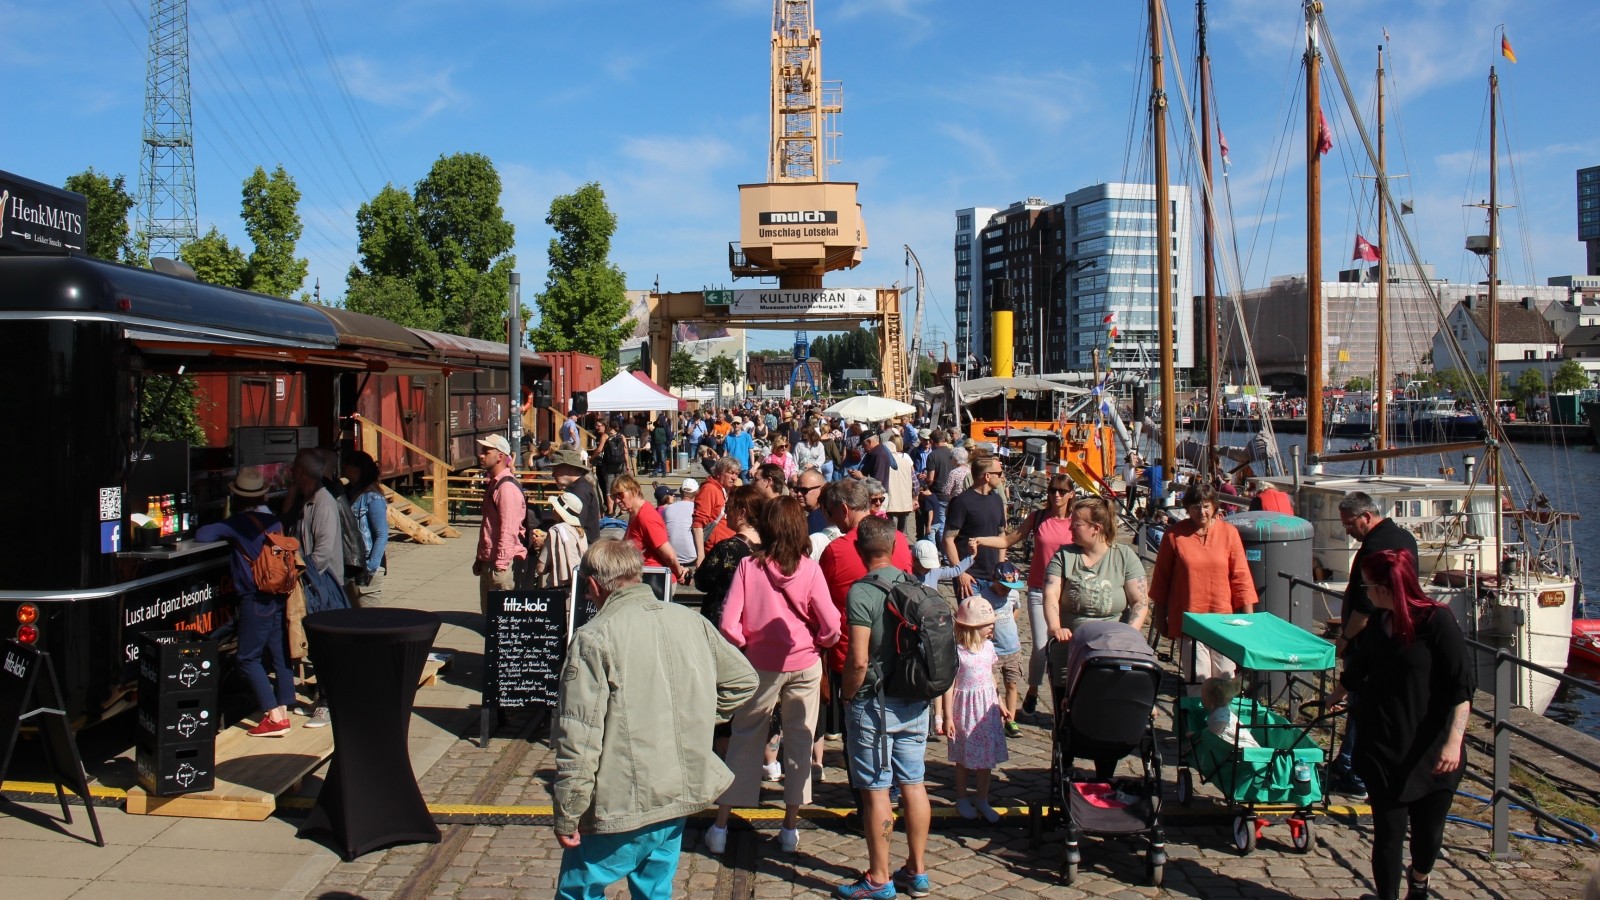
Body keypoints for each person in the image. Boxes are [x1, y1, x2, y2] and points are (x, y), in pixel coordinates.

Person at [551, 541, 758, 900]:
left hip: (626, 796)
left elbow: (579, 736)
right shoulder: (689, 620)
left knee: (579, 890)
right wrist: (697, 714)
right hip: (676, 788)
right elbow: (743, 680)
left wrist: (568, 810)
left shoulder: (594, 637)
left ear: (596, 586)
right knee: (654, 890)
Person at [1325, 549, 1472, 900]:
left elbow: (1461, 687)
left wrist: (1454, 742)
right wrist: (1337, 693)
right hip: (1383, 746)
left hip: (1430, 749)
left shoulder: (1437, 622)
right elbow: (1360, 668)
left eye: (1370, 585)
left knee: (1427, 836)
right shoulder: (1379, 622)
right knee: (1388, 835)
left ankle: (1419, 878)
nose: (1366, 592)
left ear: (1390, 586)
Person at [705, 497, 842, 855]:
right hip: (804, 662)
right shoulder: (810, 569)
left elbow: (727, 623)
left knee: (744, 737)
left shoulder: (750, 567)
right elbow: (831, 625)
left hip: (760, 663)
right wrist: (819, 642)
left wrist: (748, 642)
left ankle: (721, 824)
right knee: (800, 739)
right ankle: (789, 826)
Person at [839, 515, 933, 900]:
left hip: (874, 701)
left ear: (861, 550)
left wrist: (847, 695)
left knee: (876, 789)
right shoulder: (913, 584)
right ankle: (917, 870)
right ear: (895, 549)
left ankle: (879, 877)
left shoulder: (862, 592)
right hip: (914, 698)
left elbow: (858, 659)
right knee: (913, 782)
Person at [1331, 491, 1420, 801]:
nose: (1347, 530)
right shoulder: (1400, 536)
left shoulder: (1378, 545)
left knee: (1363, 706)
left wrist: (1345, 638)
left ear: (1365, 517)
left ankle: (1356, 774)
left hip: (1373, 641)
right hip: (1385, 637)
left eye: (1349, 523)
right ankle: (1347, 765)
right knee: (1361, 706)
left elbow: (1367, 605)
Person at [197, 468, 297, 737]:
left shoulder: (236, 524)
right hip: (277, 594)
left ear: (235, 496)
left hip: (254, 597)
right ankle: (285, 704)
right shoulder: (274, 522)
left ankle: (274, 717)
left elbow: (203, 534)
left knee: (247, 658)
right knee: (278, 652)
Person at [969, 472, 1077, 718]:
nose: (1056, 495)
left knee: (1070, 648)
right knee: (1041, 647)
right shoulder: (1038, 517)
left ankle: (1069, 695)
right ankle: (1034, 689)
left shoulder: (1076, 521)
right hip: (1039, 589)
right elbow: (1009, 539)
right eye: (1052, 491)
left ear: (1071, 494)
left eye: (1061, 491)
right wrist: (980, 541)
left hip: (1069, 591)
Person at [1150, 482, 1256, 688]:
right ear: (1188, 508)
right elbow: (1161, 579)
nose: (1202, 511)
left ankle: (1224, 720)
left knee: (1225, 679)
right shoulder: (1174, 535)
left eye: (1206, 506)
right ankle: (1200, 719)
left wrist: (1248, 618)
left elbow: (1241, 577)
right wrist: (1160, 618)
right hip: (1190, 620)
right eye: (1196, 506)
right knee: (1198, 680)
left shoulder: (1229, 533)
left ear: (1214, 506)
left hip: (1223, 621)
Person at [287, 448, 347, 728]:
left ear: (302, 473)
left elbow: (322, 554)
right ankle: (324, 697)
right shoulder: (306, 499)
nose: (290, 473)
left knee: (324, 646)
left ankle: (327, 703)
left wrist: (298, 571)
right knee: (315, 645)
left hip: (321, 585)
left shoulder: (323, 504)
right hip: (311, 583)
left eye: (294, 469)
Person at [1040, 496, 1151, 642]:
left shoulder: (1124, 556)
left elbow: (1140, 601)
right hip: (1071, 642)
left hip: (1113, 644)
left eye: (1076, 524)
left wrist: (1130, 633)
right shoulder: (1064, 555)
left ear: (1096, 528)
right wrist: (1055, 627)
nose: (1070, 528)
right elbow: (1051, 593)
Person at [942, 595, 1008, 822]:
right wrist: (947, 716)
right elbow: (949, 685)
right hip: (965, 709)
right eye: (987, 624)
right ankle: (962, 797)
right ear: (972, 627)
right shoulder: (958, 652)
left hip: (986, 707)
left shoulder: (989, 647)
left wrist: (1001, 703)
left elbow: (991, 677)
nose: (992, 627)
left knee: (986, 756)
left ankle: (982, 798)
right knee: (963, 756)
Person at [694, 486, 767, 629]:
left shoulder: (726, 548)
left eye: (728, 508)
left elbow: (702, 582)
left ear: (742, 513)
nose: (726, 514)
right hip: (755, 621)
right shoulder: (768, 546)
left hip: (722, 622)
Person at [473, 434, 528, 620]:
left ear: (500, 456)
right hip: (491, 559)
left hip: (500, 562)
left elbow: (508, 529)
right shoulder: (494, 484)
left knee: (501, 621)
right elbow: (489, 527)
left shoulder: (506, 488)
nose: (481, 455)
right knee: (490, 617)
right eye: (482, 451)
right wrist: (480, 557)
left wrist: (501, 565)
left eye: (486, 451)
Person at [943, 454, 1006, 600]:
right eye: (1000, 474)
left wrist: (1001, 566)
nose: (1002, 478)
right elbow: (948, 539)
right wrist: (960, 572)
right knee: (973, 621)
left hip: (993, 577)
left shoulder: (996, 500)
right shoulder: (961, 502)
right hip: (970, 578)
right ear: (987, 476)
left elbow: (1002, 535)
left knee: (992, 622)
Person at [977, 562, 1028, 738]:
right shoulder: (984, 597)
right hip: (995, 650)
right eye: (1004, 586)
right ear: (994, 580)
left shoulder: (1013, 594)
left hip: (1013, 648)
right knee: (994, 686)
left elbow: (1016, 609)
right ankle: (997, 717)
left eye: (1010, 587)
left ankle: (1011, 719)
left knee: (1012, 684)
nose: (1007, 590)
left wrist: (1010, 622)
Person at [611, 475, 686, 582]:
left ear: (635, 491)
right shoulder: (634, 513)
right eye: (614, 497)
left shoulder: (646, 517)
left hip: (655, 580)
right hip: (643, 577)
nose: (617, 501)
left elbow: (670, 556)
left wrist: (680, 574)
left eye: (620, 495)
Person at [341, 450, 388, 603]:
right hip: (350, 567)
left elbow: (381, 534)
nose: (343, 468)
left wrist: (371, 568)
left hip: (366, 567)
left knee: (369, 621)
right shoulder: (347, 493)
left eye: (347, 465)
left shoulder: (373, 497)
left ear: (357, 469)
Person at [532, 492, 589, 589]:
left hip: (558, 587)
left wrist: (543, 546)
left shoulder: (556, 530)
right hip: (578, 585)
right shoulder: (580, 532)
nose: (553, 509)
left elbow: (541, 568)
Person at [693, 457, 742, 567]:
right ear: (719, 472)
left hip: (727, 549)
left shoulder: (727, 490)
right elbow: (698, 523)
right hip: (715, 550)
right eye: (731, 473)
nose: (734, 478)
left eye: (737, 474)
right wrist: (701, 556)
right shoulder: (710, 489)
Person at [551, 449, 602, 546]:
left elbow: (575, 530)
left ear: (569, 468)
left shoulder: (579, 491)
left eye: (555, 469)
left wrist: (548, 539)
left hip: (582, 550)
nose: (553, 474)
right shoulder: (579, 487)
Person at [1201, 675, 1260, 749]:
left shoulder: (1220, 714)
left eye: (1202, 694)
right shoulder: (1221, 710)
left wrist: (1197, 735)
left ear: (1210, 698)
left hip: (1242, 750)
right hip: (1238, 748)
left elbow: (1213, 733)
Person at [662, 478, 699, 568]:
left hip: (670, 555)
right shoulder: (697, 509)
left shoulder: (668, 509)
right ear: (697, 492)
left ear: (681, 491)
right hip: (691, 557)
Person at [884, 435, 917, 537]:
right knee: (902, 533)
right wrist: (915, 498)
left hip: (892, 501)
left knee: (892, 532)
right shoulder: (907, 462)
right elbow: (915, 482)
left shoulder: (885, 462)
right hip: (905, 502)